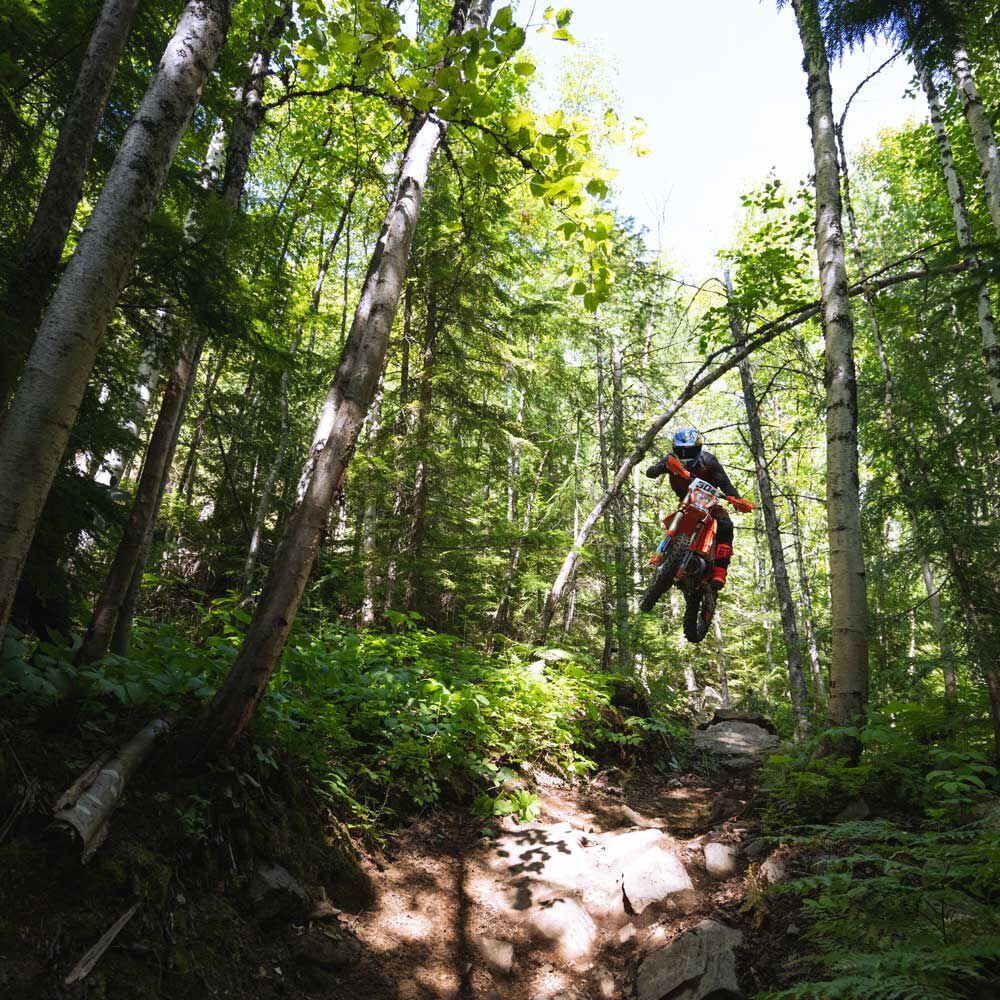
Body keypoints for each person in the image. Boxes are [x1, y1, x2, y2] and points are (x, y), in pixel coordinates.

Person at [645, 428, 752, 589]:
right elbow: (651, 471)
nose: (685, 454)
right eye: (681, 450)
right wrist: (658, 468)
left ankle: (720, 571)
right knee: (675, 520)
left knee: (725, 524)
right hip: (686, 502)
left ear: (698, 449)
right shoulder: (671, 460)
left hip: (710, 503)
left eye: (690, 450)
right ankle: (663, 555)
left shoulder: (709, 461)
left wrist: (736, 500)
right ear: (675, 449)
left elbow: (725, 484)